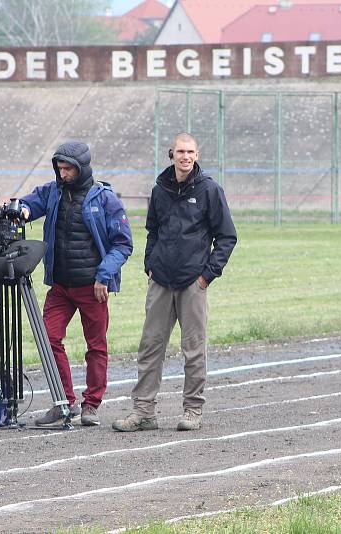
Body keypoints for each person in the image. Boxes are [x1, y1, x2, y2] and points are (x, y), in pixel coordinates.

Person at [112, 132, 237, 433]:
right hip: (161, 281)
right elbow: (152, 230)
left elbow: (227, 236)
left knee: (193, 349)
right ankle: (144, 412)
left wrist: (207, 275)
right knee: (150, 345)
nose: (185, 157)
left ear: (197, 154)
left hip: (193, 282)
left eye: (190, 152)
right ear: (171, 154)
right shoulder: (160, 189)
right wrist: (149, 265)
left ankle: (192, 410)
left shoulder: (209, 190)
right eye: (180, 151)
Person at [19, 140, 133, 427]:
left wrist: (103, 276)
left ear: (81, 168)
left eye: (68, 169)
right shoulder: (53, 192)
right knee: (49, 338)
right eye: (59, 168)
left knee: (96, 346)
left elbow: (123, 245)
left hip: (92, 287)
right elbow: (30, 204)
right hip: (59, 286)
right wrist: (20, 210)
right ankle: (63, 402)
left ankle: (92, 405)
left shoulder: (106, 199)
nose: (63, 174)